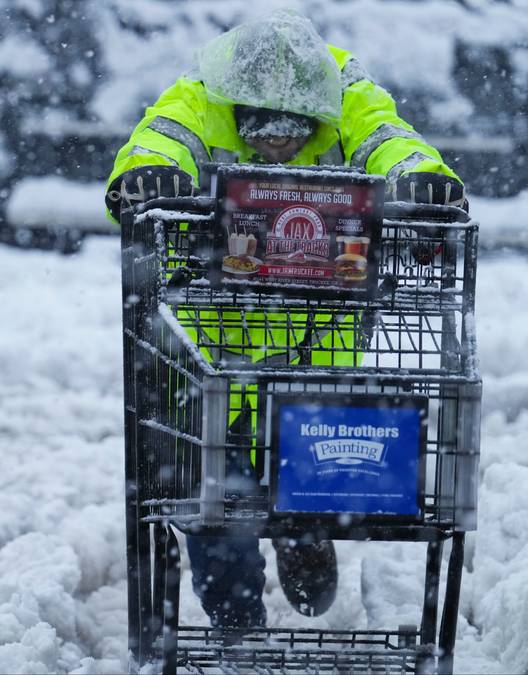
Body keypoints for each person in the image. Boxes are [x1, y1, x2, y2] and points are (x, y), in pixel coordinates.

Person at [105, 9, 465, 629]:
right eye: (260, 126)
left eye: (293, 128)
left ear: (319, 110)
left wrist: (422, 179)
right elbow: (160, 138)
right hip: (214, 356)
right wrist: (144, 176)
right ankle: (237, 625)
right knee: (214, 505)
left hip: (317, 355)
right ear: (234, 103)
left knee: (310, 483)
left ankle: (307, 538)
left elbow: (390, 140)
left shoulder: (349, 92)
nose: (277, 142)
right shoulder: (199, 96)